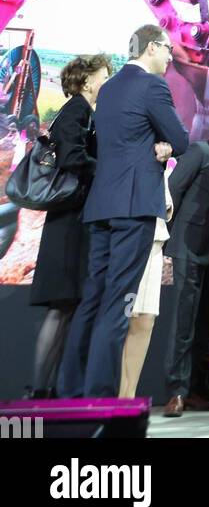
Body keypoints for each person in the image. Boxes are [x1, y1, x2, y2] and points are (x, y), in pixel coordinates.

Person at [57, 24, 189, 398]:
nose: (169, 57)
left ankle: (71, 390)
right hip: (134, 208)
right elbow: (179, 139)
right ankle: (99, 395)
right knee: (119, 303)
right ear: (151, 47)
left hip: (101, 207)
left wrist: (158, 145)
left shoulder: (109, 88)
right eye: (167, 50)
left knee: (93, 299)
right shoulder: (152, 85)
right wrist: (165, 148)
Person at [28, 54, 112, 396]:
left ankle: (49, 389)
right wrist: (107, 167)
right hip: (68, 224)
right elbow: (72, 158)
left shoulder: (82, 111)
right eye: (105, 76)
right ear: (89, 80)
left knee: (66, 308)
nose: (108, 83)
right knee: (61, 307)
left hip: (72, 221)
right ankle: (39, 390)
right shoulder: (77, 110)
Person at [162, 108, 209, 417]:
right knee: (183, 320)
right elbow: (174, 189)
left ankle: (196, 388)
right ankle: (175, 390)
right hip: (188, 246)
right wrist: (170, 239)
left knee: (206, 323)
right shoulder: (200, 150)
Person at [118, 165, 173, 397]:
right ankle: (115, 398)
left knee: (145, 320)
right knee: (123, 320)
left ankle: (128, 398)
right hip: (126, 235)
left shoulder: (159, 152)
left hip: (153, 240)